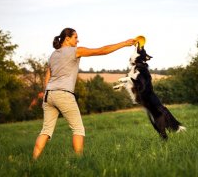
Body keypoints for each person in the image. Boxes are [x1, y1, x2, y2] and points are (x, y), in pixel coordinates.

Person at [32, 27, 136, 160]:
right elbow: (101, 51)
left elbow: (47, 77)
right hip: (64, 94)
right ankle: (79, 161)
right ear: (67, 38)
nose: (78, 40)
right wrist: (124, 43)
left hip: (48, 95)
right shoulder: (75, 51)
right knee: (78, 129)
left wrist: (47, 94)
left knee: (45, 131)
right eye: (75, 37)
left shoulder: (53, 55)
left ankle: (34, 161)